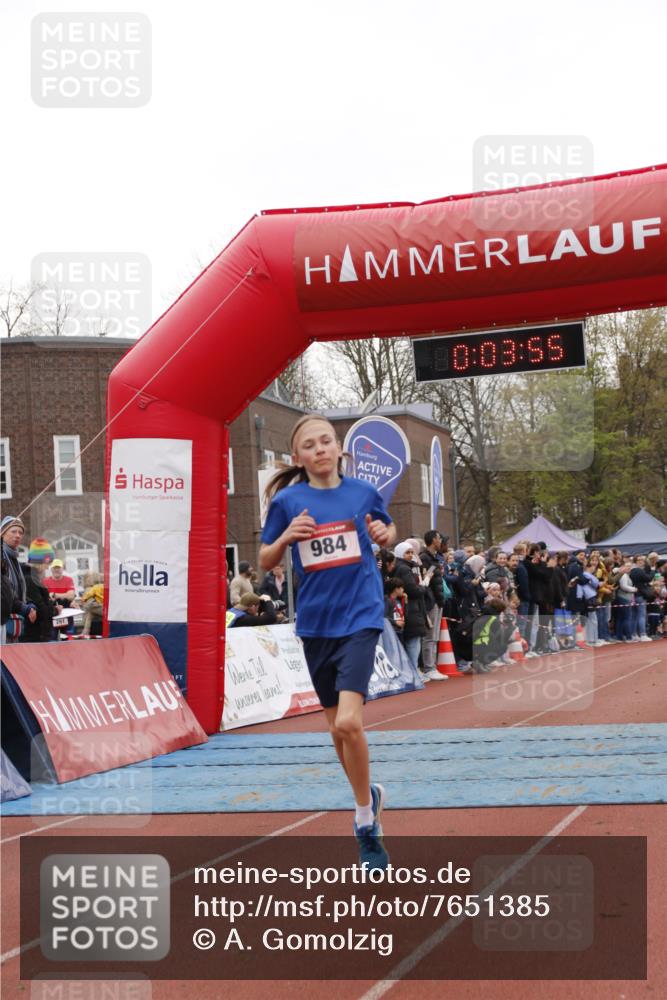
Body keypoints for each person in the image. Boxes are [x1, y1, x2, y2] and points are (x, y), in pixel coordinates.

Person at [259, 414, 396, 870]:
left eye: (326, 441)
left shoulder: (361, 493)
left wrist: (384, 534)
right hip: (316, 625)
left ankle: (363, 823)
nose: (319, 449)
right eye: (309, 445)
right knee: (336, 729)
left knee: (349, 724)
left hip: (361, 616)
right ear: (297, 457)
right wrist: (285, 538)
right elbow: (264, 557)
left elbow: (387, 530)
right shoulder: (288, 501)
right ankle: (370, 795)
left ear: (339, 448)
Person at [0, 516, 37, 639]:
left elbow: (16, 590)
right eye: (13, 531)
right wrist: (23, 607)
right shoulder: (3, 557)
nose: (18, 535)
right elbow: (5, 591)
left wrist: (30, 604)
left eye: (20, 533)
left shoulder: (14, 559)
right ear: (3, 533)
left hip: (12, 623)